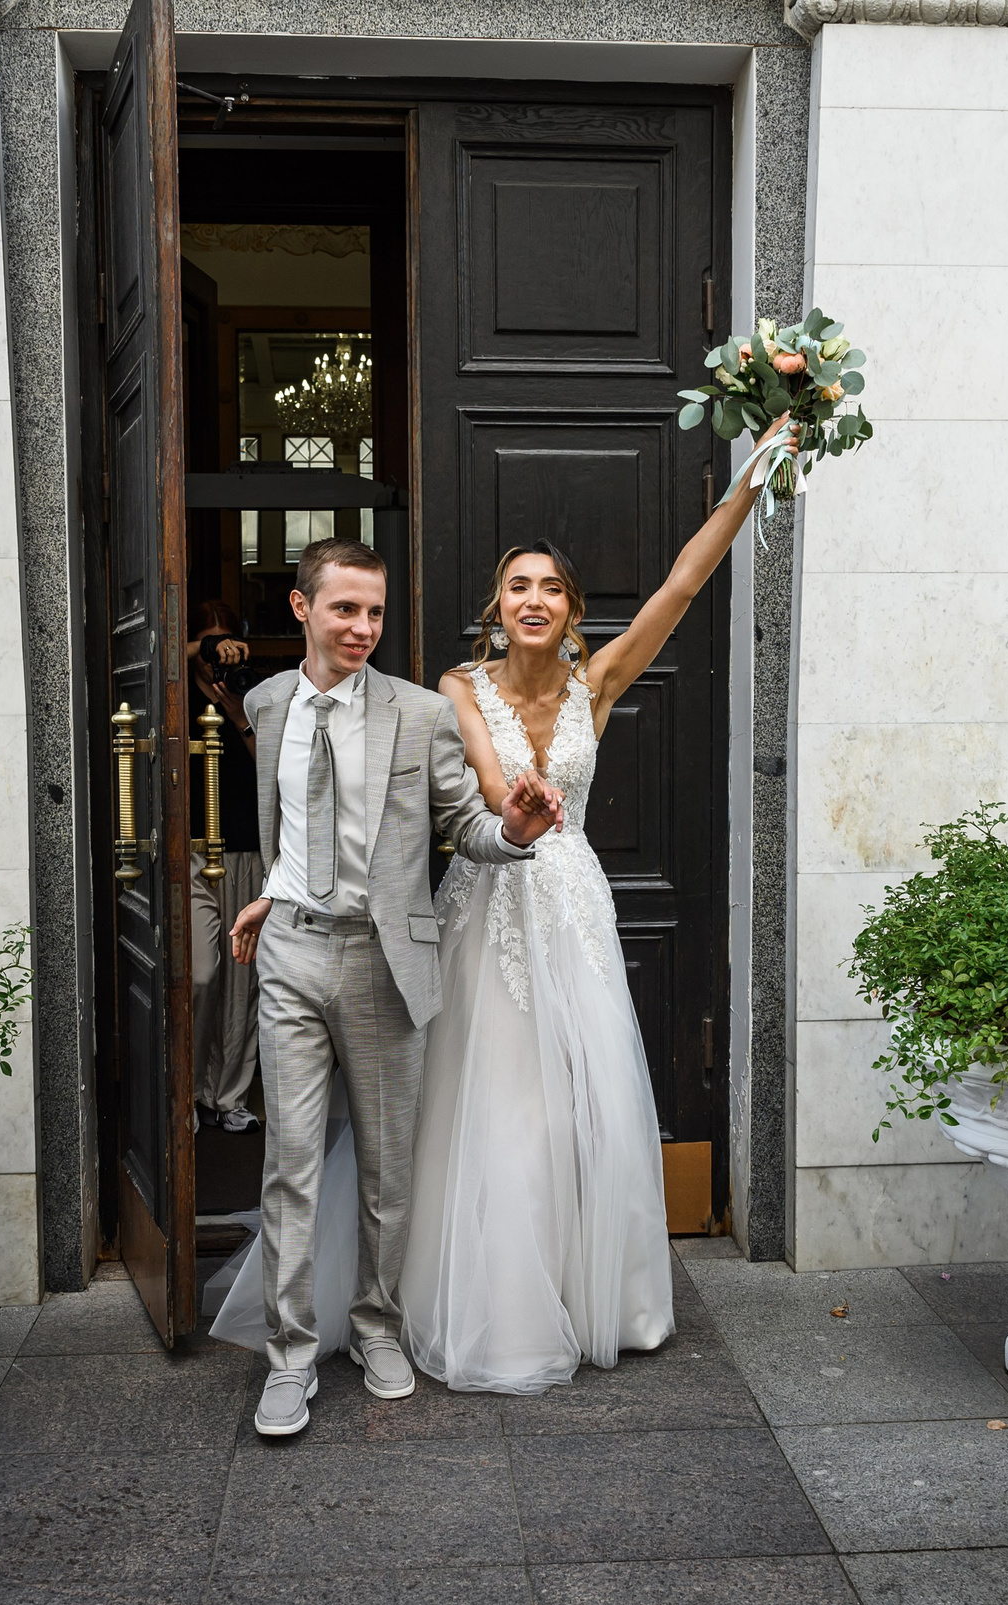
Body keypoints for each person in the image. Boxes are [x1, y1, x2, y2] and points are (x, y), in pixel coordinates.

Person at [399, 421, 775, 1392]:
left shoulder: (593, 684)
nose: (533, 598)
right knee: (497, 1108)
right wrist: (513, 805)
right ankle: (500, 1308)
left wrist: (755, 470)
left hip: (570, 909)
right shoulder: (458, 686)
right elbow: (485, 780)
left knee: (582, 1108)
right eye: (517, 584)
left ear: (570, 611)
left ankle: (600, 1296)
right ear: (498, 604)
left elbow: (682, 586)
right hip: (488, 907)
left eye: (551, 587)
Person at [220, 537, 562, 1437]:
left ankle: (376, 1326)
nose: (363, 627)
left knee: (386, 1167)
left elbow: (463, 825)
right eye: (344, 609)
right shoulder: (264, 704)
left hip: (386, 958)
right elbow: (287, 829)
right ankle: (289, 1358)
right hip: (291, 952)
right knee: (289, 1163)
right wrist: (270, 896)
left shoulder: (419, 714)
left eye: (374, 611)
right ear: (303, 608)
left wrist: (517, 830)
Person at [189, 598, 263, 1132]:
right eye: (211, 643)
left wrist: (239, 710)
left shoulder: (254, 696)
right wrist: (202, 648)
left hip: (250, 850)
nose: (222, 655)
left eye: (228, 641)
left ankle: (228, 1096)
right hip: (191, 853)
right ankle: (186, 1091)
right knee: (200, 972)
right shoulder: (170, 691)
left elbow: (275, 766)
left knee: (242, 981)